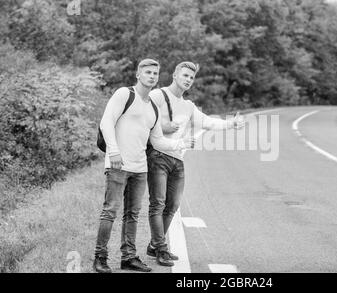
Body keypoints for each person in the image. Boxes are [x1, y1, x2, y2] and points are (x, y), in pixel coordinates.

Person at [93, 59, 195, 273]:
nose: (152, 76)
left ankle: (128, 257)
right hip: (118, 164)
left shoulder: (153, 108)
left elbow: (157, 140)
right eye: (147, 72)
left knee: (132, 214)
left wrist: (180, 143)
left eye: (155, 73)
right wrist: (113, 150)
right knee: (110, 210)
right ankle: (100, 258)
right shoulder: (124, 94)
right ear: (138, 74)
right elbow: (106, 122)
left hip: (140, 168)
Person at [146, 61, 245, 267]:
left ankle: (155, 245)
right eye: (185, 76)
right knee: (158, 203)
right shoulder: (158, 96)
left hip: (177, 159)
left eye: (191, 77)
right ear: (175, 75)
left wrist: (231, 124)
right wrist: (163, 125)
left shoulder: (189, 106)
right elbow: (143, 117)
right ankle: (161, 248)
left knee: (172, 204)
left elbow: (208, 122)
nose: (188, 80)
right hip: (158, 155)